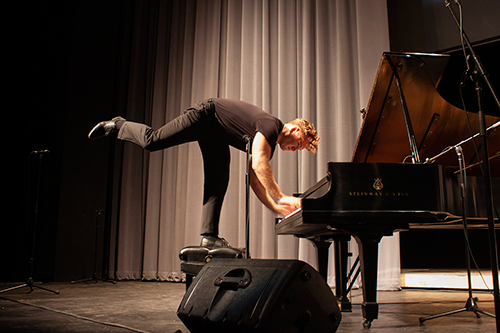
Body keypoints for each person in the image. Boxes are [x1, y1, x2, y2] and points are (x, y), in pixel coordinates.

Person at [89, 98, 319, 248]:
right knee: (153, 140)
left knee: (218, 180)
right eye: (299, 143)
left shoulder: (268, 142)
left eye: (299, 149)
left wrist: (276, 208)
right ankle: (119, 124)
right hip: (205, 116)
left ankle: (209, 235)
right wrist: (281, 197)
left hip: (217, 134)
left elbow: (256, 180)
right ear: (294, 129)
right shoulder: (271, 125)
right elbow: (260, 166)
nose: (295, 149)